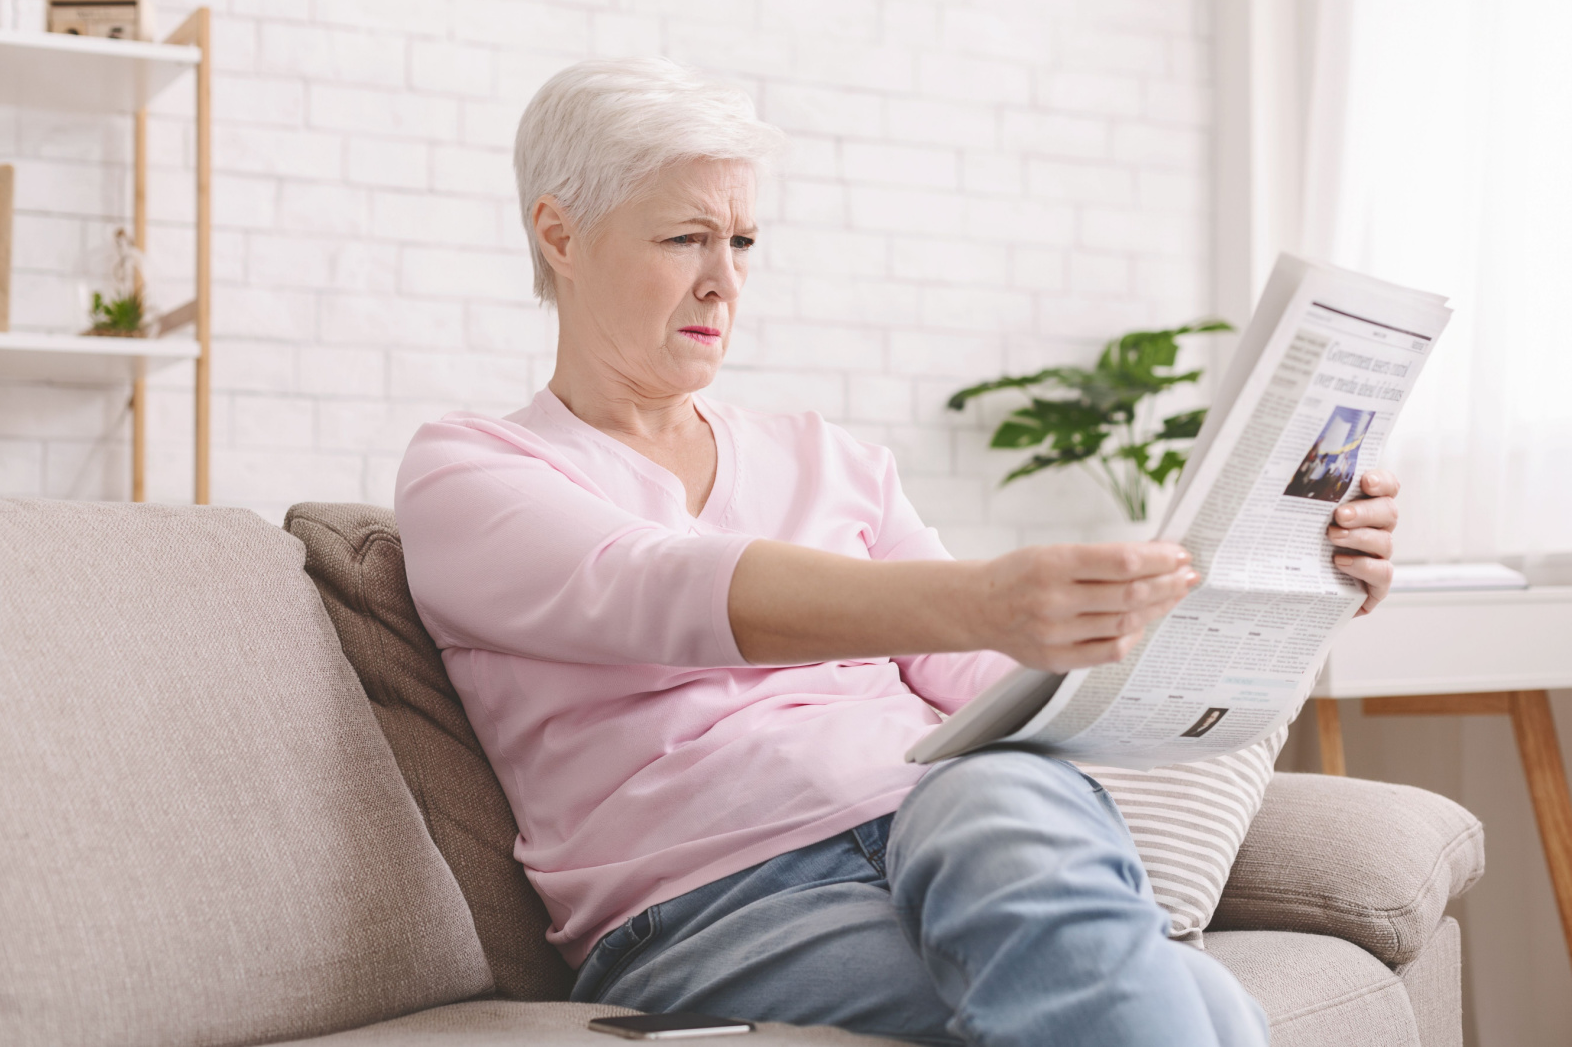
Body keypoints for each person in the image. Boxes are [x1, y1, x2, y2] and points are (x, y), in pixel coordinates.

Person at [395, 58, 1402, 1047]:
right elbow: (657, 585)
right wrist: (979, 597)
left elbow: (992, 684)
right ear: (559, 232)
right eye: (685, 237)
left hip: (954, 822)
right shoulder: (471, 472)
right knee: (1189, 1003)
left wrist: (1292, 575)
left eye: (742, 239)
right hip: (717, 907)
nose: (724, 279)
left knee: (1005, 793)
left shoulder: (828, 456)